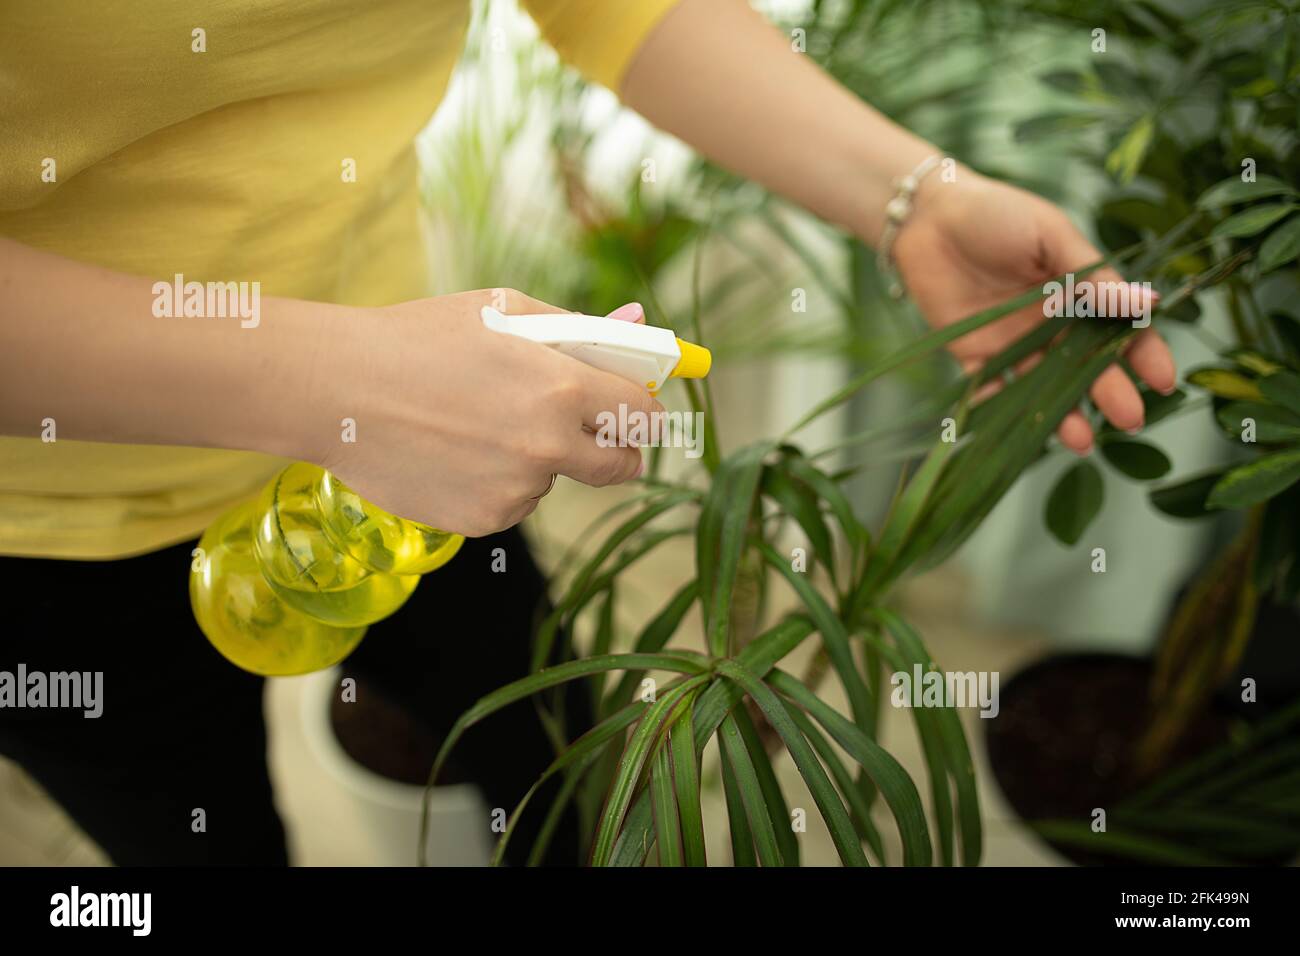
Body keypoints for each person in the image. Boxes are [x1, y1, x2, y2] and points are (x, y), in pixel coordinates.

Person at [0, 0, 1175, 865]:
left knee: (556, 762)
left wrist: (910, 195)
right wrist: (334, 381)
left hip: (401, 449)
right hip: (49, 531)